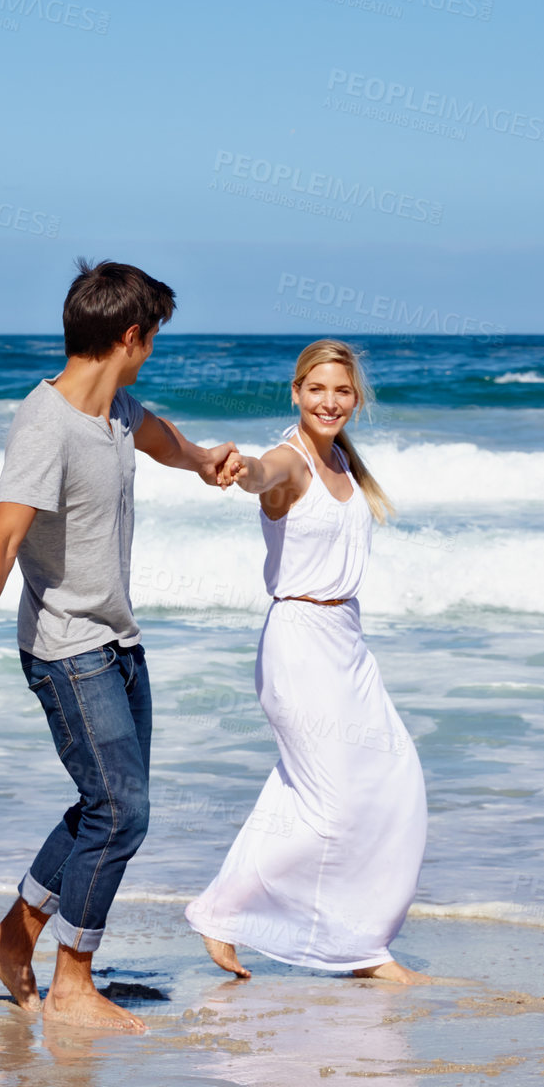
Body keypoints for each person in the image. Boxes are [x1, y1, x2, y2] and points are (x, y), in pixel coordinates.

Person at [0, 259, 237, 1033]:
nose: (151, 355)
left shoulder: (112, 411)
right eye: (152, 342)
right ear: (130, 338)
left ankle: (10, 942)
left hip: (115, 641)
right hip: (66, 648)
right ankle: (73, 983)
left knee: (102, 806)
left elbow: (157, 436)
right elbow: (1, 537)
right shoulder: (46, 425)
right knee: (121, 812)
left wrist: (204, 459)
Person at [186, 338, 429, 984]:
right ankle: (223, 909)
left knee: (393, 781)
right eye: (316, 389)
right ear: (295, 393)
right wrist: (243, 472)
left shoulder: (345, 465)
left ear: (355, 399)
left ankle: (361, 944)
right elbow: (264, 476)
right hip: (298, 644)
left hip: (347, 641)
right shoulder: (288, 462)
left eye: (341, 391)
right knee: (333, 804)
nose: (329, 401)